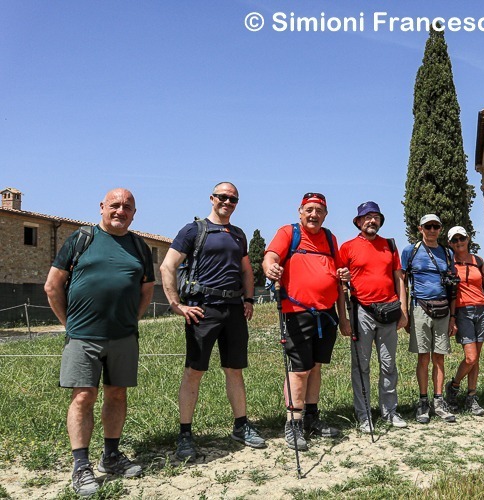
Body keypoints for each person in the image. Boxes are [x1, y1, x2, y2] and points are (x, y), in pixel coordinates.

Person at [44, 188, 153, 496]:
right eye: (115, 205)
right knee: (83, 398)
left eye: (127, 207)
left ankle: (111, 455)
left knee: (117, 395)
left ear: (134, 213)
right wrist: (71, 325)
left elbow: (147, 289)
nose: (121, 211)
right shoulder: (80, 240)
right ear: (102, 207)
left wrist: (132, 321)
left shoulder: (139, 247)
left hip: (123, 337)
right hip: (83, 338)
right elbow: (52, 286)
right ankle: (81, 466)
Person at [160, 182, 265, 462]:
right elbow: (167, 265)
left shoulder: (239, 235)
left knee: (234, 370)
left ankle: (241, 426)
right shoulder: (194, 230)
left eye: (233, 199)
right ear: (212, 198)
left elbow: (246, 270)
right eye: (223, 197)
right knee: (194, 372)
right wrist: (176, 304)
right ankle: (185, 435)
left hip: (234, 309)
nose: (227, 202)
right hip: (202, 309)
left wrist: (250, 299)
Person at [263, 192, 351, 451]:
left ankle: (312, 417)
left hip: (326, 315)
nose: (314, 215)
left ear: (325, 214)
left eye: (319, 211)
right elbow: (271, 256)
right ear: (300, 212)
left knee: (315, 368)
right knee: (298, 370)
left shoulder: (329, 238)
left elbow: (338, 276)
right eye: (309, 210)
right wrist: (270, 267)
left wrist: (343, 316)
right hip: (297, 313)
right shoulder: (288, 233)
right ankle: (294, 423)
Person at [339, 201, 409, 433]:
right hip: (362, 313)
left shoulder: (389, 245)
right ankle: (364, 414)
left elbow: (399, 278)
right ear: (358, 222)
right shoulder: (347, 247)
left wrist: (403, 310)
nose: (372, 221)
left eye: (376, 217)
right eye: (367, 217)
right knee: (362, 366)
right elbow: (341, 283)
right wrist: (344, 318)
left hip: (389, 311)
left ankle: (389, 411)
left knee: (389, 365)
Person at [402, 214, 457, 424]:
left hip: (442, 308)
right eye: (428, 226)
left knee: (439, 358)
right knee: (423, 357)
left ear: (440, 229)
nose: (432, 230)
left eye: (435, 226)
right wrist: (405, 313)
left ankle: (438, 400)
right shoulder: (410, 251)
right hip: (420, 308)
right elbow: (403, 282)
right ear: (420, 228)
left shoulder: (447, 252)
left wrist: (453, 316)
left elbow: (453, 286)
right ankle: (423, 401)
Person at [444, 226, 484, 416]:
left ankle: (472, 397)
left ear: (468, 238)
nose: (459, 242)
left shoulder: (478, 261)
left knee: (476, 359)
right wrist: (452, 318)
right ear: (450, 243)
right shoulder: (449, 264)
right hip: (462, 311)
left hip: (481, 310)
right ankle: (454, 386)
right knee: (470, 357)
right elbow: (450, 293)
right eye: (455, 240)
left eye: (462, 238)